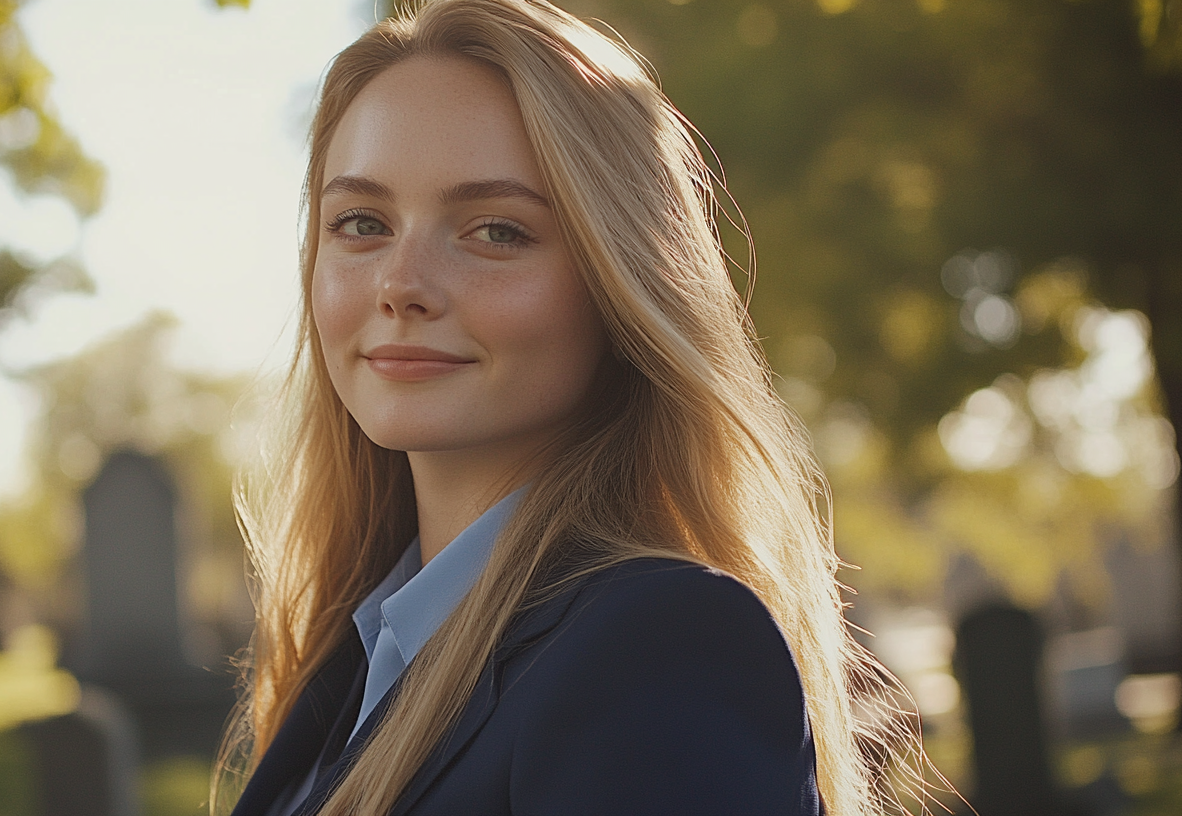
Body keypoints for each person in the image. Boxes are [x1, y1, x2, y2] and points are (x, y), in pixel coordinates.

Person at [217, 0, 920, 814]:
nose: (400, 285)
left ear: (619, 282)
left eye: (496, 232)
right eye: (362, 222)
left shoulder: (660, 646)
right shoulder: (359, 655)